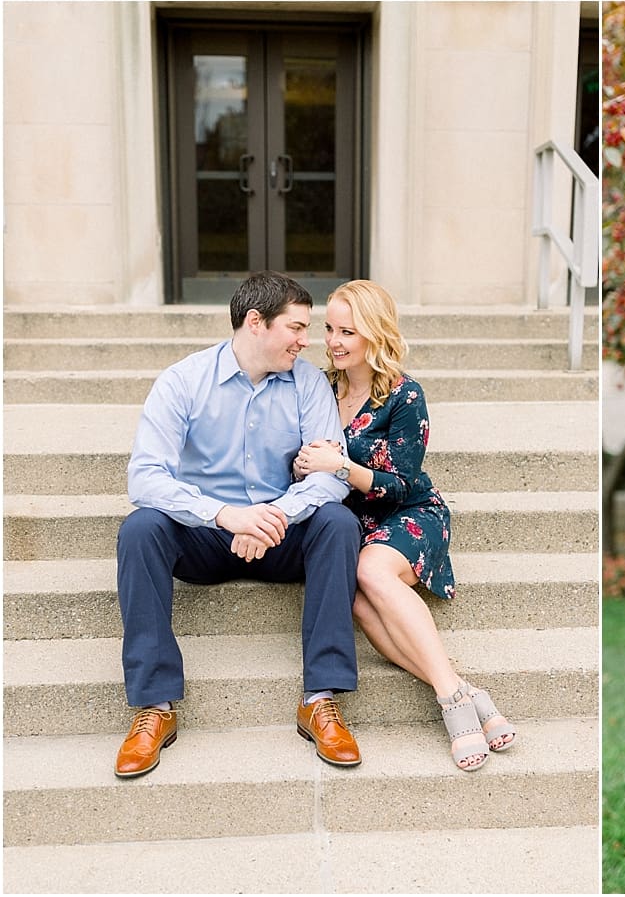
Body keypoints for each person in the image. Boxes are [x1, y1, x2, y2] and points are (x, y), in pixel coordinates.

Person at [115, 271, 363, 778]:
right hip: (205, 535)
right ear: (256, 322)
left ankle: (320, 698)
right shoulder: (184, 380)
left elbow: (330, 477)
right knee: (140, 529)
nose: (306, 341)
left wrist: (274, 515)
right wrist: (225, 515)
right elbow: (145, 477)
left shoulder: (308, 384)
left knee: (338, 523)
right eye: (296, 328)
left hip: (279, 533)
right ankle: (154, 707)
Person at [293, 279, 516, 772]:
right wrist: (304, 464)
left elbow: (400, 483)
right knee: (354, 598)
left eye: (347, 332)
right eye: (329, 329)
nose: (333, 342)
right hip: (351, 523)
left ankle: (450, 704)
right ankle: (463, 690)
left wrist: (340, 466)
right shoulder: (317, 387)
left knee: (371, 572)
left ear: (374, 333)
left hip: (409, 513)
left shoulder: (404, 394)